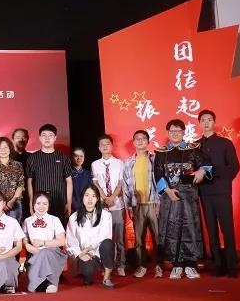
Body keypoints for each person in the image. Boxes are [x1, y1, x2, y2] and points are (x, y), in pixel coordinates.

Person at [154, 119, 212, 280]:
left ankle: (191, 265)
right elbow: (157, 174)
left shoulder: (193, 150)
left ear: (183, 132)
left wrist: (201, 171)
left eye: (178, 131)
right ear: (168, 133)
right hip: (170, 197)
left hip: (189, 196)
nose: (175, 134)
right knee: (171, 230)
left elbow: (206, 164)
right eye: (172, 131)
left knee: (190, 228)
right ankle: (176, 266)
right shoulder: (161, 152)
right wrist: (167, 190)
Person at [198, 110, 240, 278]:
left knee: (227, 228)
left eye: (209, 119)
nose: (206, 122)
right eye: (203, 120)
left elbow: (234, 167)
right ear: (199, 123)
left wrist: (216, 174)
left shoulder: (225, 143)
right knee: (211, 230)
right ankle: (217, 264)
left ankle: (231, 266)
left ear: (214, 122)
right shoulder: (195, 146)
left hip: (222, 191)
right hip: (204, 193)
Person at [123, 130, 162, 278]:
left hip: (153, 203)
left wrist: (159, 201)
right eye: (137, 139)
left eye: (143, 138)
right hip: (137, 205)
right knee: (139, 240)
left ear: (148, 141)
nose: (140, 141)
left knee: (158, 237)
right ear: (133, 142)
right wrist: (129, 206)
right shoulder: (128, 162)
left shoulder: (155, 159)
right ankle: (142, 266)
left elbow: (160, 180)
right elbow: (126, 186)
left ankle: (158, 266)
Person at [66, 184, 116, 288]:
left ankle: (106, 277)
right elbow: (71, 240)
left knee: (108, 244)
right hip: (83, 254)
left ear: (97, 199)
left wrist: (89, 249)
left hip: (98, 252)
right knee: (87, 272)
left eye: (93, 196)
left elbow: (105, 237)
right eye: (87, 195)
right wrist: (80, 254)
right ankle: (87, 275)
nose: (90, 199)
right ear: (82, 197)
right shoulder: (74, 218)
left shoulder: (106, 215)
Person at [91, 135, 126, 276]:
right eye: (102, 144)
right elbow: (96, 183)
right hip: (102, 205)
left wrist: (112, 197)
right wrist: (105, 198)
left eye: (107, 144)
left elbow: (120, 183)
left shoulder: (119, 163)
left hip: (117, 204)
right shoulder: (95, 164)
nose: (105, 146)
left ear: (112, 146)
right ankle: (105, 265)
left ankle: (121, 265)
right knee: (103, 237)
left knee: (119, 238)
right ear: (99, 148)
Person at [26, 124, 72, 221]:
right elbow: (29, 182)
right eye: (44, 135)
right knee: (40, 228)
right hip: (39, 203)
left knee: (59, 228)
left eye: (50, 135)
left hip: (59, 201)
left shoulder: (63, 157)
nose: (47, 138)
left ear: (55, 138)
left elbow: (69, 181)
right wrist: (31, 203)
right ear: (39, 138)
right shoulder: (33, 158)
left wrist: (69, 203)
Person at [23, 192, 67, 293]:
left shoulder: (54, 220)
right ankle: (40, 282)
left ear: (49, 205)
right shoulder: (27, 221)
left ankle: (52, 283)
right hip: (34, 256)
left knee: (45, 252)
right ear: (33, 205)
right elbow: (24, 242)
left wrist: (43, 243)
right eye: (38, 203)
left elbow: (61, 241)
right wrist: (34, 250)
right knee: (36, 287)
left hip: (52, 254)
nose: (41, 207)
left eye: (45, 204)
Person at [0, 136, 24, 221]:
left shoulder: (18, 165)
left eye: (5, 147)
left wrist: (12, 200)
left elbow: (21, 184)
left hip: (15, 203)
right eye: (0, 148)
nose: (3, 150)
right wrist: (1, 203)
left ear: (10, 148)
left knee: (14, 227)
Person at [70, 147, 91, 213]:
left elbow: (90, 191)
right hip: (71, 209)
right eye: (76, 156)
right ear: (72, 157)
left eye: (81, 156)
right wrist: (77, 207)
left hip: (86, 208)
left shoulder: (88, 174)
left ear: (84, 158)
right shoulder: (67, 173)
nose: (79, 158)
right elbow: (67, 192)